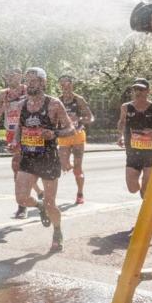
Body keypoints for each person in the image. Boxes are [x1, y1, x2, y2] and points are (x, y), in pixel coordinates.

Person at [9, 67, 74, 252]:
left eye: (34, 80)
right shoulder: (21, 105)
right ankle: (39, 206)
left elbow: (71, 129)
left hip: (47, 158)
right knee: (21, 198)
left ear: (43, 83)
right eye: (28, 80)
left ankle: (57, 231)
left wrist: (54, 134)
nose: (30, 84)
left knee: (51, 202)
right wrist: (15, 142)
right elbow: (19, 129)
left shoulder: (54, 104)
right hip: (28, 157)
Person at [0, 68, 43, 218]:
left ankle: (28, 200)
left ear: (20, 76)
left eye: (12, 75)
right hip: (11, 133)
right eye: (7, 75)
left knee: (23, 167)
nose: (9, 78)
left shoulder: (29, 90)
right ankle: (29, 200)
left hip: (29, 131)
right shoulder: (3, 94)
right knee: (18, 167)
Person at [116, 78, 152, 196]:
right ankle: (143, 184)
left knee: (146, 190)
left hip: (150, 154)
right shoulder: (126, 107)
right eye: (135, 89)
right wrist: (121, 136)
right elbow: (122, 123)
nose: (138, 92)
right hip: (133, 153)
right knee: (132, 189)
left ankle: (146, 188)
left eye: (141, 89)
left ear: (148, 91)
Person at [56, 74, 95, 205]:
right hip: (64, 136)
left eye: (68, 84)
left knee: (78, 168)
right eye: (62, 84)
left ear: (72, 85)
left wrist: (79, 119)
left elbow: (90, 117)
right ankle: (72, 167)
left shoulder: (79, 99)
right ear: (60, 86)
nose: (65, 86)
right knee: (64, 165)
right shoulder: (57, 101)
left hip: (77, 135)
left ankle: (80, 193)